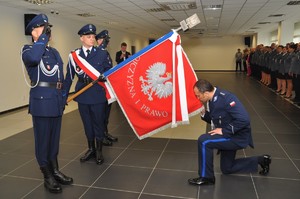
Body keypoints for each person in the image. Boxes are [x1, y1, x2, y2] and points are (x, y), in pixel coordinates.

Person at [21, 14, 73, 193]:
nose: (48, 32)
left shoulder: (54, 52)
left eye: (48, 29)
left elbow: (60, 77)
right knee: (43, 141)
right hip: (42, 103)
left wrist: (64, 94)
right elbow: (35, 59)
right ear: (34, 31)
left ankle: (55, 170)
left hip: (56, 101)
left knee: (54, 140)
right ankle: (47, 175)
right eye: (43, 28)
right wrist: (41, 39)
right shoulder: (28, 50)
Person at [188, 79, 271, 186]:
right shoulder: (212, 99)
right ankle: (261, 160)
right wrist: (204, 113)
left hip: (236, 136)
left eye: (198, 95)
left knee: (203, 141)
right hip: (230, 134)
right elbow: (216, 119)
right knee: (227, 168)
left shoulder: (226, 98)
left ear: (206, 93)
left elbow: (244, 119)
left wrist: (223, 130)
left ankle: (206, 177)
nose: (197, 98)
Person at [64, 24, 111, 165]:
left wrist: (105, 76)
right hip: (82, 94)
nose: (92, 39)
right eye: (88, 37)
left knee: (98, 123)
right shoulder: (74, 56)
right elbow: (69, 77)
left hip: (97, 93)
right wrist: (63, 96)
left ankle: (99, 151)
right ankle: (91, 149)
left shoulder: (102, 53)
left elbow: (110, 72)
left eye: (93, 37)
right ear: (81, 38)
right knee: (87, 124)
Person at [95, 30, 118, 144]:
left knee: (106, 113)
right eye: (105, 40)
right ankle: (101, 136)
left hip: (108, 87)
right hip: (100, 88)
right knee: (101, 114)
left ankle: (105, 132)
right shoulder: (96, 53)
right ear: (99, 40)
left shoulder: (106, 53)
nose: (107, 42)